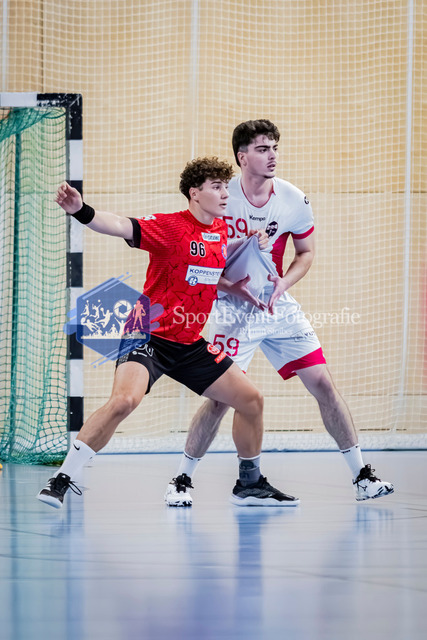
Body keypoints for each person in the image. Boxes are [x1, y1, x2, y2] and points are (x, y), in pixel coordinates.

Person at [37, 156, 299, 509]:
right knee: (124, 401)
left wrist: (244, 254)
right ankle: (62, 479)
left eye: (226, 186)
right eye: (216, 187)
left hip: (189, 343)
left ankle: (245, 484)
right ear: (194, 193)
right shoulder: (170, 226)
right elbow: (120, 225)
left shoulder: (221, 231)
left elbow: (210, 261)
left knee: (251, 400)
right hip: (147, 334)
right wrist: (81, 210)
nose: (226, 194)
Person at [165, 120, 394, 507]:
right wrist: (231, 287)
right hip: (234, 309)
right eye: (262, 149)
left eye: (274, 147)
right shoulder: (219, 197)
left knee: (323, 384)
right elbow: (197, 261)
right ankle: (182, 480)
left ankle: (362, 476)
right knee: (221, 399)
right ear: (242, 157)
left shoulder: (293, 199)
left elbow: (306, 253)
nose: (272, 155)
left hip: (278, 306)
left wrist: (283, 285)